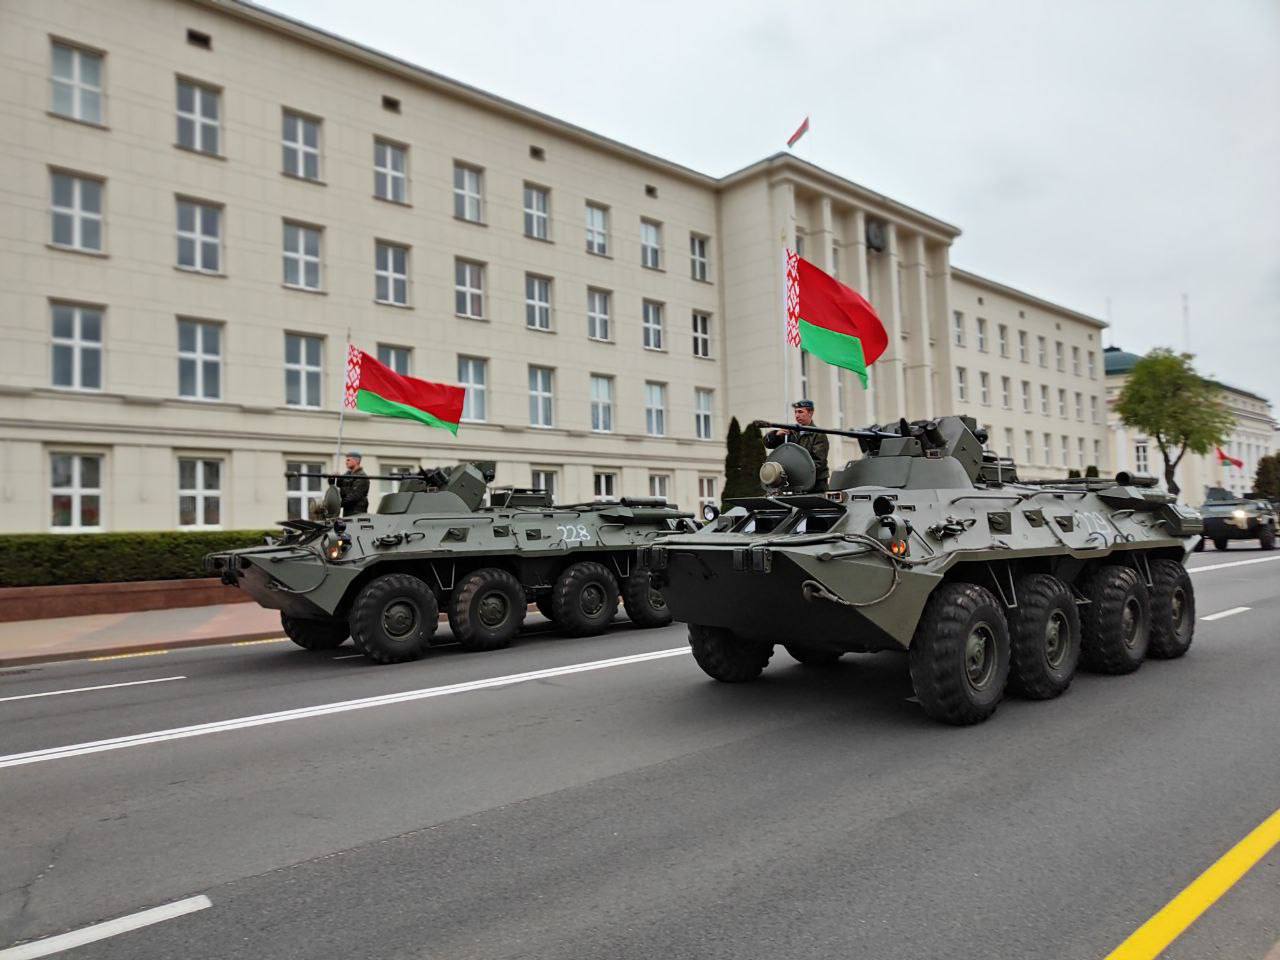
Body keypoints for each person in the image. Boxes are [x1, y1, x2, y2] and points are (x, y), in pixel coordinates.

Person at [764, 400, 830, 492]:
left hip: (815, 485)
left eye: (800, 412)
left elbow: (819, 463)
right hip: (796, 484)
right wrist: (776, 435)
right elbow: (768, 444)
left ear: (810, 413)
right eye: (795, 412)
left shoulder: (818, 434)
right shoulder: (790, 433)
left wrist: (795, 473)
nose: (797, 415)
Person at [337, 451, 370, 515]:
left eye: (348, 460)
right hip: (348, 511)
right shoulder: (348, 474)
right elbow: (337, 483)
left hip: (357, 512)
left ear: (357, 461)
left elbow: (354, 496)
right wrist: (332, 477)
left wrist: (338, 504)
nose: (346, 462)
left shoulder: (362, 476)